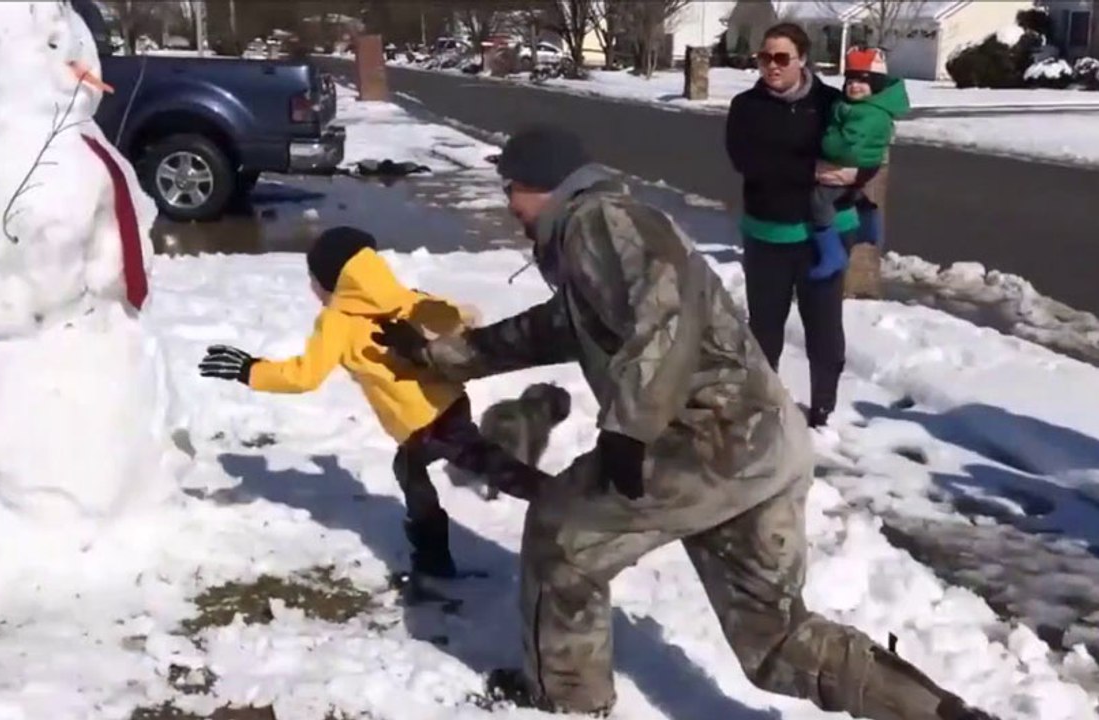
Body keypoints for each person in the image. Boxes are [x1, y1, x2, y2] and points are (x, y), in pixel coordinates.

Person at [372, 125, 996, 720]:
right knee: (777, 642)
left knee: (562, 535)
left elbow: (662, 313)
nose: (507, 201)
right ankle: (939, 714)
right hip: (762, 447)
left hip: (700, 441)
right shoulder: (597, 249)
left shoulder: (603, 222)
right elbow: (543, 331)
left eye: (511, 186)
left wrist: (628, 428)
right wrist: (435, 353)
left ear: (547, 184)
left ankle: (567, 702)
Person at [198, 226, 547, 578]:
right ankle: (438, 555)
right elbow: (455, 316)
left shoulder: (337, 322)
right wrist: (450, 318)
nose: (312, 288)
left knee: (478, 462)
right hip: (450, 403)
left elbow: (303, 375)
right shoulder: (401, 298)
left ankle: (552, 496)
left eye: (315, 280)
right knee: (420, 467)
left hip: (422, 423)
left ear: (335, 280)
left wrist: (250, 370)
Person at [725, 22, 858, 429]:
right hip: (767, 233)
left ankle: (823, 410)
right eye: (764, 58)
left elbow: (863, 150)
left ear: (802, 59)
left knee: (823, 327)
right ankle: (764, 406)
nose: (771, 66)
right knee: (764, 327)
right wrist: (815, 169)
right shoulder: (747, 106)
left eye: (781, 58)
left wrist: (856, 174)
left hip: (825, 235)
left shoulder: (831, 103)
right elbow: (749, 163)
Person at [809, 47, 911, 278]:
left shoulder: (870, 114)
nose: (854, 86)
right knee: (852, 193)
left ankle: (831, 253)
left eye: (862, 82)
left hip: (854, 161)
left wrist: (824, 143)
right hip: (862, 164)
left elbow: (848, 145)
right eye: (850, 81)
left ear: (875, 85)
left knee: (818, 201)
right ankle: (868, 223)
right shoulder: (859, 106)